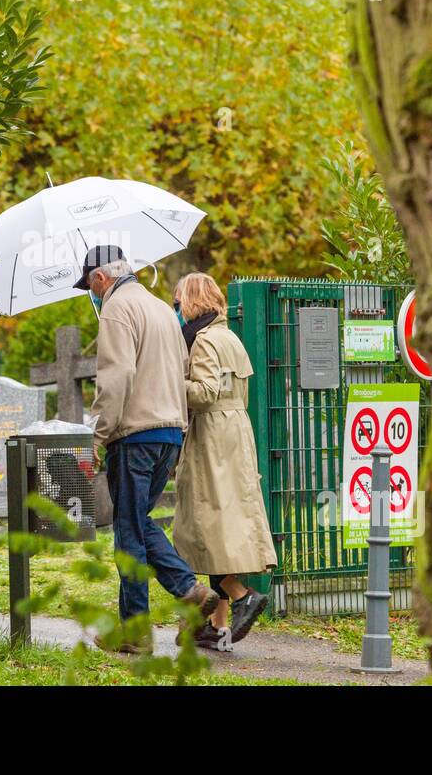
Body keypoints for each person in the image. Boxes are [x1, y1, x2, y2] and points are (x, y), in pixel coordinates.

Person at [77, 244, 219, 653]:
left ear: (101, 278)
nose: (91, 292)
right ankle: (186, 591)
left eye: (90, 284)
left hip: (134, 434)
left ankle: (141, 628)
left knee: (128, 533)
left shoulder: (116, 309)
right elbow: (181, 373)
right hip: (169, 433)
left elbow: (117, 375)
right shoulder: (160, 309)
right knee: (136, 522)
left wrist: (98, 436)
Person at [171, 271, 277, 649]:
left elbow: (203, 392)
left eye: (179, 298)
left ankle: (240, 595)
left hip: (211, 436)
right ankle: (214, 627)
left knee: (203, 525)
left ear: (192, 300)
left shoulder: (201, 340)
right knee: (222, 525)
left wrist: (169, 380)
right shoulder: (229, 336)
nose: (177, 306)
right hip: (235, 431)